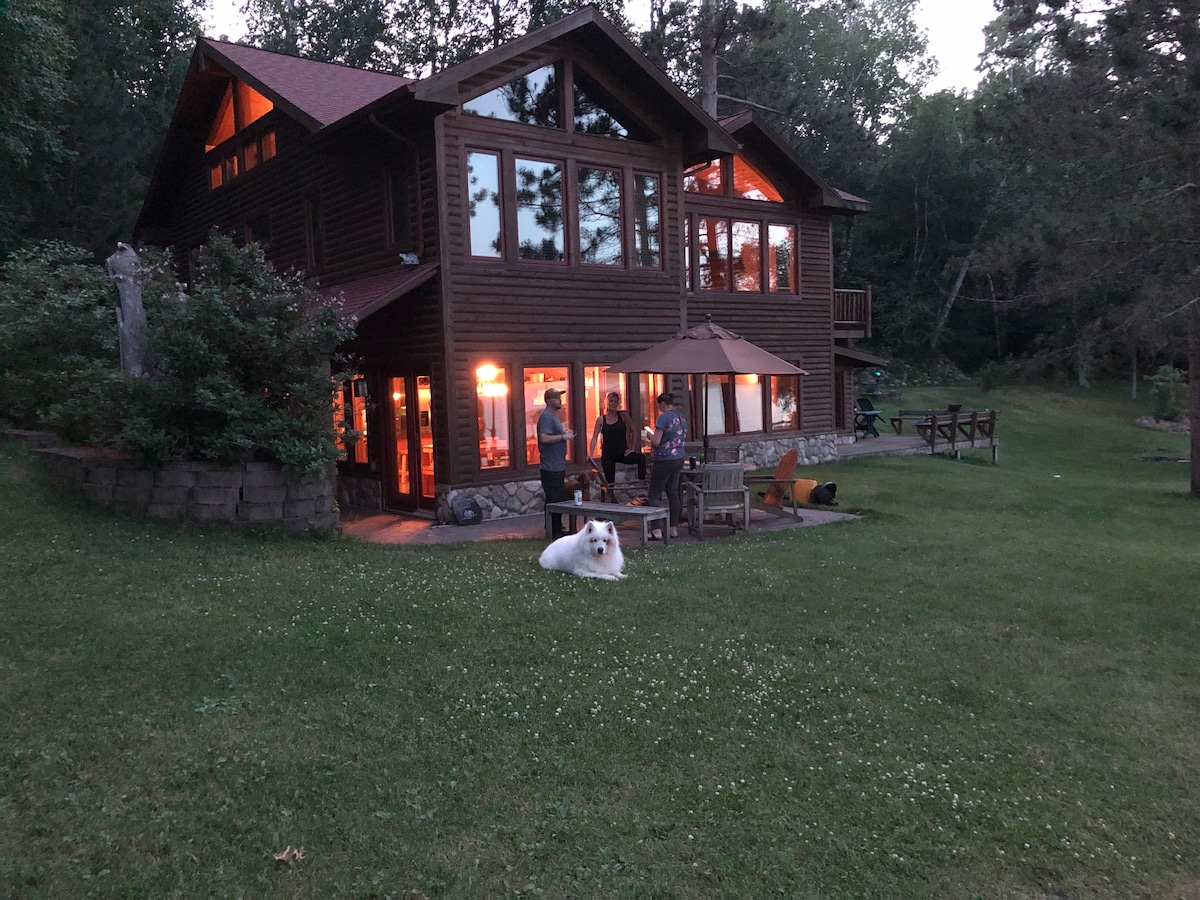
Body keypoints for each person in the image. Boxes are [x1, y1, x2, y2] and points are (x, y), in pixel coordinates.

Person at [647, 391, 687, 539]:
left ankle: (656, 529)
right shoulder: (681, 418)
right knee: (673, 492)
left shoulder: (664, 418)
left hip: (664, 459)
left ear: (663, 404)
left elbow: (656, 441)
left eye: (659, 406)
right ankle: (673, 528)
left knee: (655, 494)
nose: (659, 410)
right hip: (679, 457)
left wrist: (650, 436)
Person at [537, 388, 575, 539]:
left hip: (557, 465)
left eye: (560, 397)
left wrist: (564, 434)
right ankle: (554, 531)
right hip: (550, 467)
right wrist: (562, 437)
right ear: (549, 400)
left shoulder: (553, 416)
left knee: (558, 497)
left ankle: (556, 527)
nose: (560, 399)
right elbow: (544, 438)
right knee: (554, 499)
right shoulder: (546, 416)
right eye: (557, 397)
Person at [588, 391, 647, 485]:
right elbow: (595, 437)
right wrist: (591, 454)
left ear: (618, 403)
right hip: (608, 455)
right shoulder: (601, 420)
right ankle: (610, 498)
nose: (613, 404)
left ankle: (642, 487)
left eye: (616, 402)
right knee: (610, 483)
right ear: (607, 403)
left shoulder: (623, 416)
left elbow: (633, 431)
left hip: (622, 452)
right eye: (611, 401)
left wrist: (631, 448)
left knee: (641, 459)